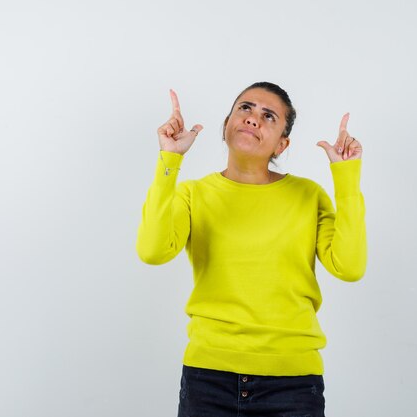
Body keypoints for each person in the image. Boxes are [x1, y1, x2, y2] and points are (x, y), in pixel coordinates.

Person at [136, 81, 366, 417]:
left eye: (268, 116)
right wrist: (170, 159)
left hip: (294, 383)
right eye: (245, 108)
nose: (253, 118)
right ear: (227, 122)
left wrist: (346, 175)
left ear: (281, 144)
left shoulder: (308, 196)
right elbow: (152, 251)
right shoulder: (193, 194)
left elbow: (350, 267)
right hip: (208, 378)